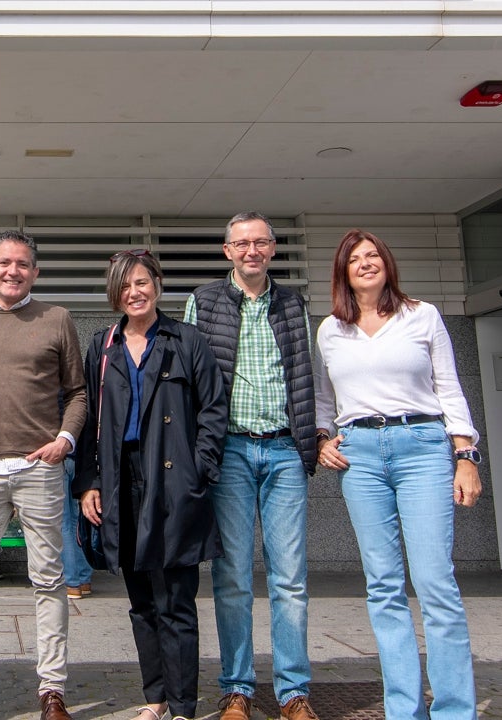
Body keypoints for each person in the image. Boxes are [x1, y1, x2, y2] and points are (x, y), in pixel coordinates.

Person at [314, 229, 481, 720]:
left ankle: (454, 710)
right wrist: (323, 438)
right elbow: (326, 398)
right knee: (384, 585)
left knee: (435, 581)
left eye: (373, 255)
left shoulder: (421, 315)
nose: (366, 263)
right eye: (355, 259)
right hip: (360, 456)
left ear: (387, 263)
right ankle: (404, 710)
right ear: (343, 272)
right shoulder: (330, 329)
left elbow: (448, 387)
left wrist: (466, 456)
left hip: (422, 448)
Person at [76, 250, 228, 720]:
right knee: (141, 601)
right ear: (114, 293)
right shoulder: (103, 346)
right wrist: (89, 483)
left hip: (174, 478)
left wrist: (198, 469)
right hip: (122, 481)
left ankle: (183, 705)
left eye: (142, 282)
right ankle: (155, 699)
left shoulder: (186, 340)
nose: (135, 292)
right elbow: (88, 423)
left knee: (177, 600)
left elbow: (212, 410)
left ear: (157, 284)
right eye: (125, 285)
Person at [0, 230, 88, 720]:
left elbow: (78, 393)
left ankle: (52, 691)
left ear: (35, 273)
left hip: (39, 468)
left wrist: (64, 441)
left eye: (23, 264)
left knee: (49, 580)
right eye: (4, 263)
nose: (13, 271)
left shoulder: (57, 319)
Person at [185, 212, 320, 720]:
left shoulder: (293, 303)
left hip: (284, 450)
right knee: (233, 576)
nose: (251, 251)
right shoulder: (204, 300)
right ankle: (236, 688)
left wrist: (315, 436)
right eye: (241, 243)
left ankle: (293, 692)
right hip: (232, 452)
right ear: (227, 251)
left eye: (260, 242)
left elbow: (308, 374)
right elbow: (193, 382)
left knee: (290, 580)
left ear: (273, 248)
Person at [62, 452, 94, 600]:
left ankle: (71, 582)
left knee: (63, 522)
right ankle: (84, 579)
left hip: (58, 460)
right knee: (77, 521)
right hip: (79, 460)